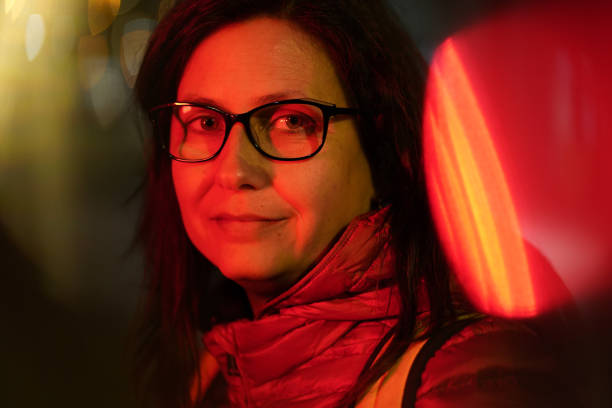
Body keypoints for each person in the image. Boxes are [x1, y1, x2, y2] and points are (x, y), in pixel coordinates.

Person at [133, 1, 577, 407]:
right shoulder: (222, 363)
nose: (234, 172)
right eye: (206, 121)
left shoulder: (471, 379)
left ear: (383, 147)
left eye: (291, 121)